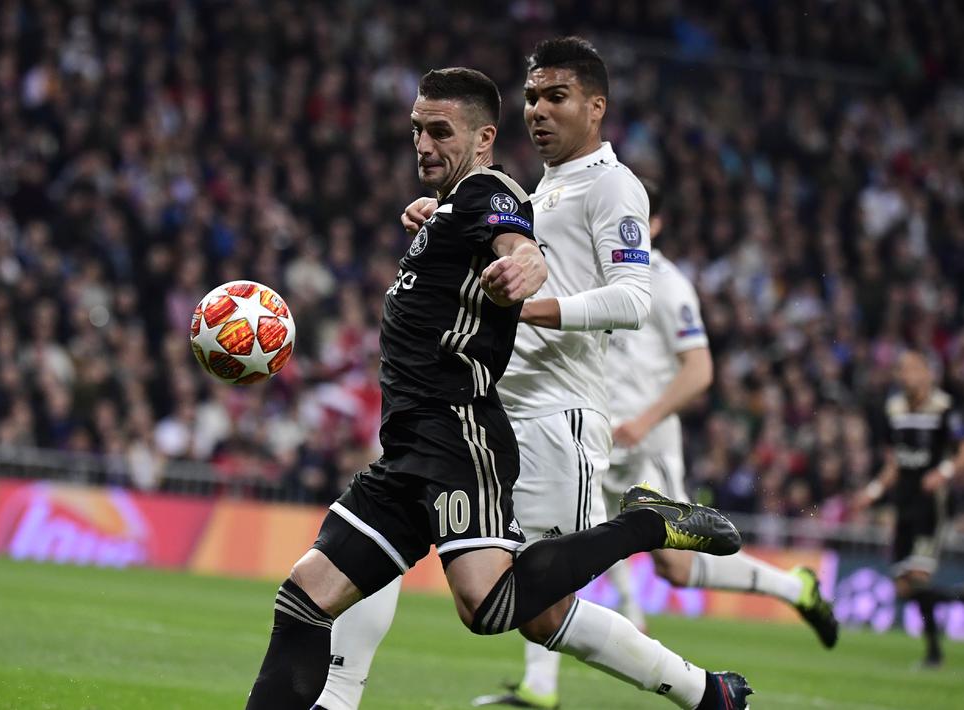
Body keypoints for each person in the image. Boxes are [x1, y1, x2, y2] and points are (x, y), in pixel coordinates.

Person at [244, 66, 742, 710]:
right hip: (408, 450)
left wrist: (526, 263)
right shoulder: (452, 211)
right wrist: (440, 223)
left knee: (492, 607)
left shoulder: (489, 190)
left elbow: (514, 235)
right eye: (417, 130)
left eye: (440, 131)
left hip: (460, 438)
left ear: (483, 138)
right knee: (304, 598)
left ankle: (643, 525)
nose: (423, 144)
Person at [597, 178, 838, 648]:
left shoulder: (668, 286)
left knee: (675, 566)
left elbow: (700, 371)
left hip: (645, 440)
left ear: (656, 224)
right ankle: (544, 682)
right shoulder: (595, 272)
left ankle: (795, 587)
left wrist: (645, 421)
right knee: (567, 525)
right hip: (599, 432)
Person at [856, 350, 964, 668]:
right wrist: (872, 491)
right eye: (901, 369)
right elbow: (894, 463)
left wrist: (944, 472)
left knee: (917, 577)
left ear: (928, 372)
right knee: (904, 588)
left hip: (930, 505)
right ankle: (961, 599)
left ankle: (933, 653)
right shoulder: (894, 409)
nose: (906, 375)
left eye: (913, 369)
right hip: (903, 501)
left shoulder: (944, 408)